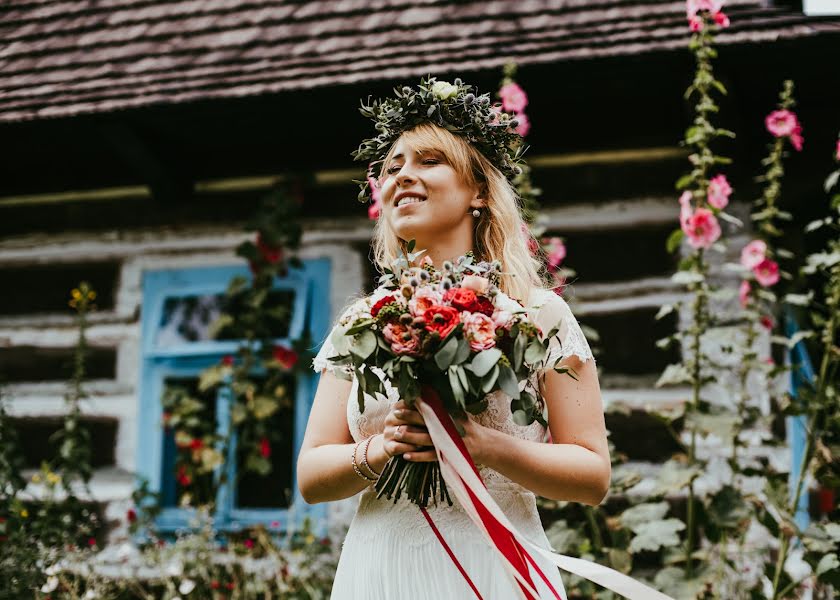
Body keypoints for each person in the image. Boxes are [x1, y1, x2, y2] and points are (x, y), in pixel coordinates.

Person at [296, 78, 609, 599]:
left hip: (492, 565)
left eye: (429, 161)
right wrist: (380, 449)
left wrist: (482, 445)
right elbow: (311, 474)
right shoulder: (364, 322)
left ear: (479, 191)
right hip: (381, 569)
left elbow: (592, 475)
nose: (403, 177)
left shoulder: (538, 315)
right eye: (393, 166)